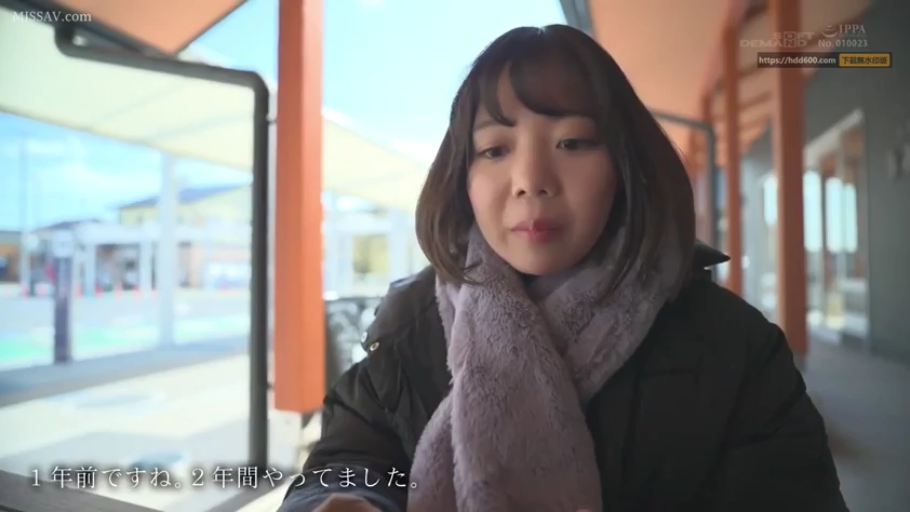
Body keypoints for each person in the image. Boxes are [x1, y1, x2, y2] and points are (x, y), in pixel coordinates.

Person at [280, 25, 846, 512]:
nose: (531, 179)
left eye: (573, 142)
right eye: (494, 150)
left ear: (625, 166)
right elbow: (348, 462)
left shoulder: (733, 348)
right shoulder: (407, 332)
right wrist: (349, 502)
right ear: (462, 178)